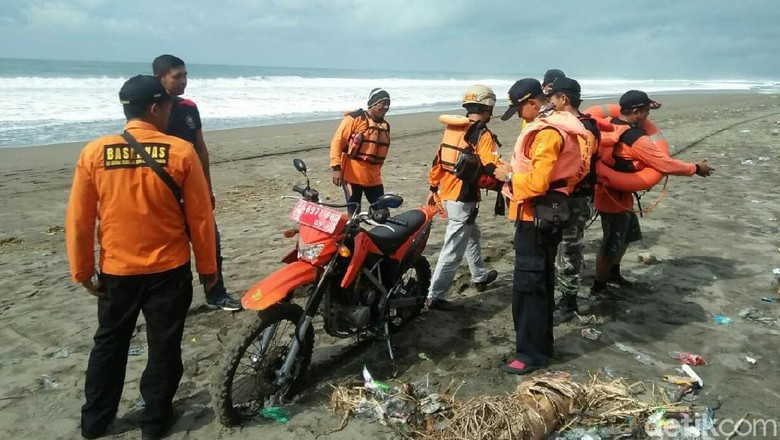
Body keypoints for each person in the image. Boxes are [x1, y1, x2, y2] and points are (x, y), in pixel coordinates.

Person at [66, 75, 217, 439]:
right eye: (166, 107)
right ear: (154, 108)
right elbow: (200, 216)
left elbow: (80, 217)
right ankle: (154, 420)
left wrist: (82, 270)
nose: (169, 113)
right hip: (169, 268)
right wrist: (208, 268)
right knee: (163, 344)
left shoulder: (95, 152)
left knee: (109, 343)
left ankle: (95, 421)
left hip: (117, 269)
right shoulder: (180, 152)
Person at [494, 78, 589, 374]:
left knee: (529, 285)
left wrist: (507, 176)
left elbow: (537, 181)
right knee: (542, 280)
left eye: (520, 111)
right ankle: (541, 346)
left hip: (534, 217)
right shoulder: (564, 127)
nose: (520, 118)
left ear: (533, 104)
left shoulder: (547, 133)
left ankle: (531, 355)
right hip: (547, 214)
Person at [591, 90, 713, 297]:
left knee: (627, 235)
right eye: (646, 111)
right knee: (612, 241)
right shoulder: (635, 137)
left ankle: (613, 273)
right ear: (637, 112)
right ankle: (599, 287)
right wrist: (695, 168)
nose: (648, 116)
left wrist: (649, 105)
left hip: (615, 193)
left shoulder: (611, 123)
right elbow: (663, 163)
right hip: (614, 196)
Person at [152, 54, 241, 311]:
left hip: (194, 189)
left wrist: (207, 187)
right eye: (177, 76)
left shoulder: (189, 107)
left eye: (186, 75)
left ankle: (216, 292)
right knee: (168, 250)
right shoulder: (152, 111)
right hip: (165, 194)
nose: (184, 81)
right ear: (160, 79)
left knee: (209, 240)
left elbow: (201, 148)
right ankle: (172, 302)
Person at [424, 85, 501, 311]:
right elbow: (490, 167)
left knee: (472, 234)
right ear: (488, 107)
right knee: (453, 248)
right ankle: (434, 295)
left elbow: (438, 160)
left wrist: (433, 187)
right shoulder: (482, 134)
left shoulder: (453, 129)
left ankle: (479, 276)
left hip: (447, 191)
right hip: (463, 196)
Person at [546, 78, 600, 324]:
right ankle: (561, 295)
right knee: (559, 248)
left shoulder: (581, 128)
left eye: (553, 99)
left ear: (563, 99)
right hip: (564, 197)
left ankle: (568, 301)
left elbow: (579, 164)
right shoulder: (588, 125)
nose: (550, 104)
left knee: (569, 249)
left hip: (573, 198)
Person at [330, 88, 391, 214]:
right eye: (382, 103)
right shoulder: (355, 119)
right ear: (372, 104)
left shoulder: (385, 126)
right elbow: (337, 142)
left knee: (382, 213)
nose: (386, 107)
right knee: (353, 214)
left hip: (373, 178)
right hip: (352, 176)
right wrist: (336, 168)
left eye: (388, 104)